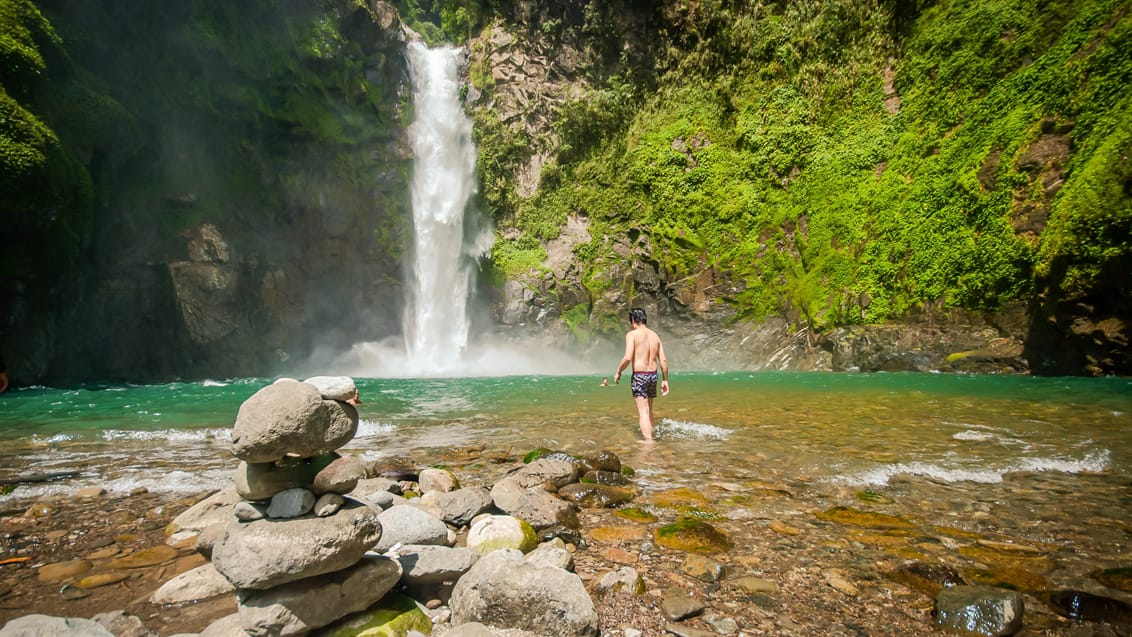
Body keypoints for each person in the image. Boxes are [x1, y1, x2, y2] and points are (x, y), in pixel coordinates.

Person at [613, 307, 669, 442]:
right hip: (653, 375)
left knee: (643, 412)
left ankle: (649, 442)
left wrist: (618, 371)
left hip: (640, 376)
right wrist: (665, 380)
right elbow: (663, 360)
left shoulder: (632, 335)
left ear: (633, 320)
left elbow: (627, 358)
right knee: (649, 410)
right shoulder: (655, 335)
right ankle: (653, 435)